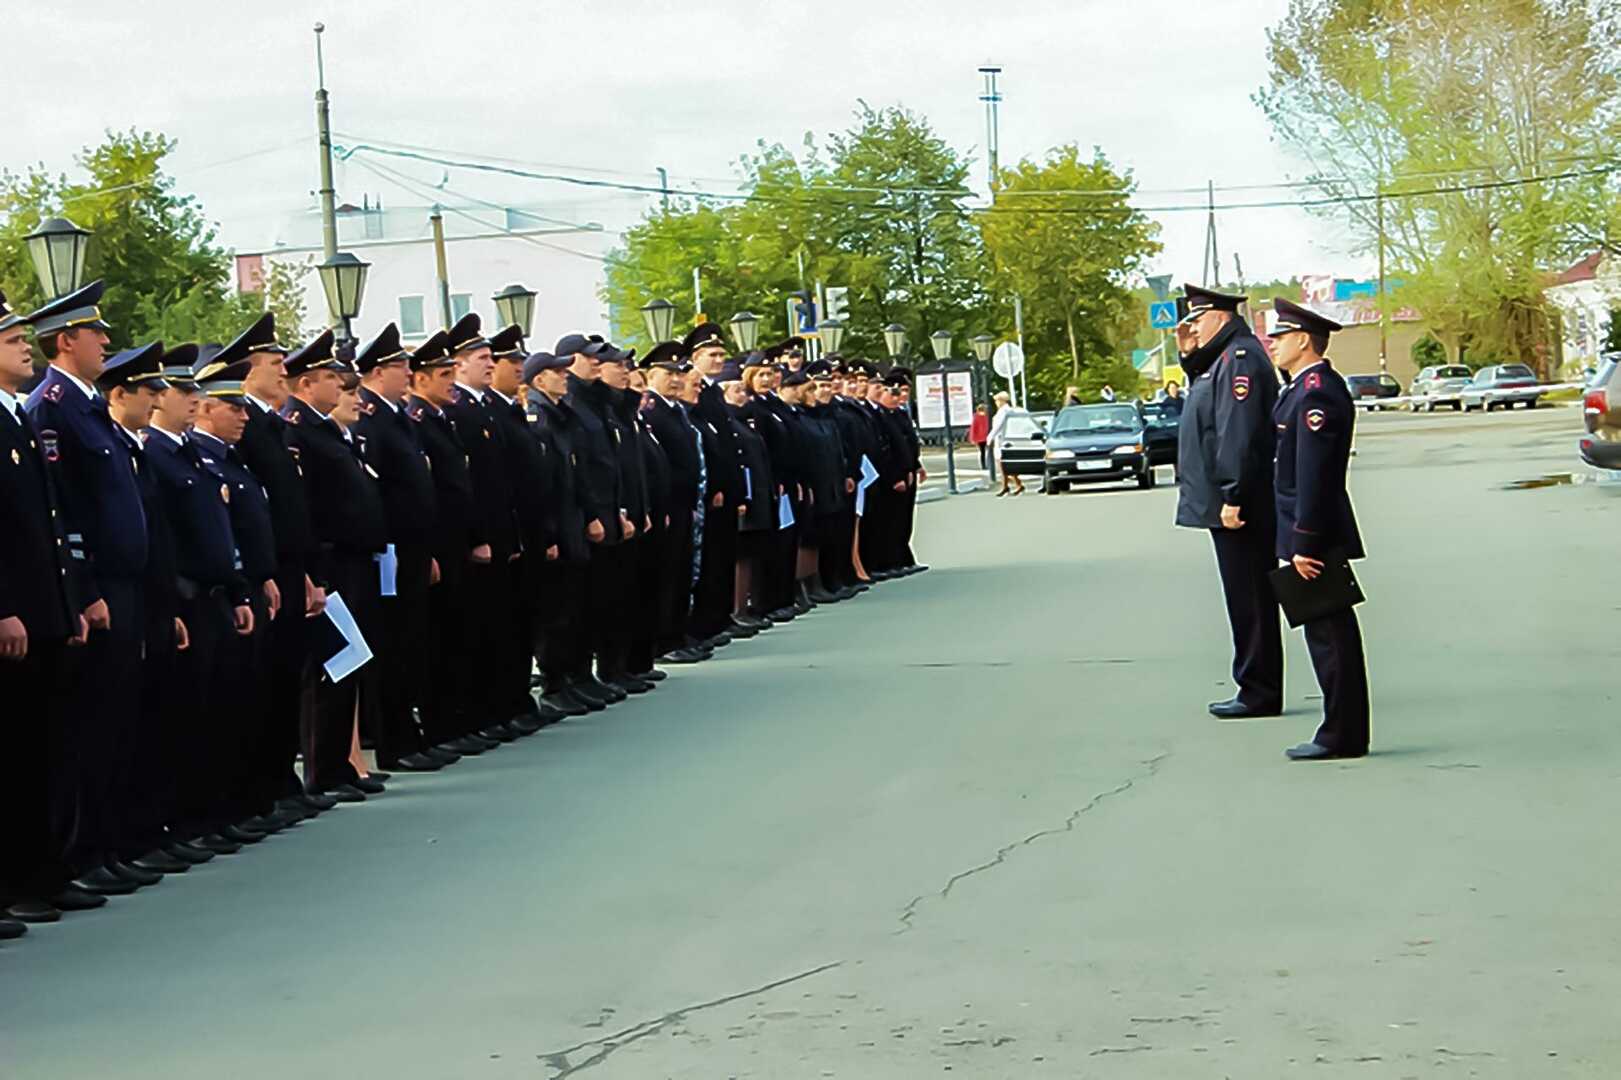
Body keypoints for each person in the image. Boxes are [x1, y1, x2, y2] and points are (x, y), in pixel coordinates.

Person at [0, 288, 91, 929]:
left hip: (46, 612)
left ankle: (43, 872)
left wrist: (71, 601)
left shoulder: (17, 419)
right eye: (10, 342)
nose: (25, 350)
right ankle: (16, 880)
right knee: (15, 754)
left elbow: (50, 526)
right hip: (15, 618)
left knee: (46, 750)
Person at [1172, 284, 1284, 721]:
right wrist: (1188, 356)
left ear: (1219, 316)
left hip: (1238, 503)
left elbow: (1238, 434)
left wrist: (1233, 495)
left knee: (1251, 597)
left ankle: (1258, 689)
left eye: (1196, 321)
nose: (1193, 328)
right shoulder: (1221, 358)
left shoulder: (1240, 359)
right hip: (1226, 501)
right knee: (1243, 597)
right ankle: (1255, 683)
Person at [1267, 299, 1369, 761]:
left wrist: (1303, 541)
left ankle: (1341, 734)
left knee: (1331, 636)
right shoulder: (1299, 389)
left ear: (1303, 340)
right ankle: (1339, 728)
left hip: (1314, 533)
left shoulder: (1317, 393)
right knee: (1324, 633)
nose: (1272, 343)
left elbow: (1316, 474)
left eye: (1280, 336)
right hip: (1302, 530)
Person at [352, 323, 450, 770]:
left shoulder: (397, 417)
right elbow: (377, 493)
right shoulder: (372, 420)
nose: (407, 372)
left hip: (411, 548)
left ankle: (410, 733)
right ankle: (394, 739)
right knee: (391, 645)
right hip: (388, 551)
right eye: (398, 366)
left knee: (412, 640)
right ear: (376, 372)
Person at [988, 390, 1025, 497]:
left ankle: (1006, 486)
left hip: (1002, 440)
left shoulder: (1004, 411)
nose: (996, 403)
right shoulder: (1006, 410)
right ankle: (1016, 485)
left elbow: (998, 426)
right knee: (1005, 465)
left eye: (997, 400)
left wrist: (989, 438)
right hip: (1003, 440)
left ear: (1002, 400)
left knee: (1003, 465)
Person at [969, 403, 991, 474]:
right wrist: (973, 439)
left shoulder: (986, 416)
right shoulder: (976, 417)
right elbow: (973, 428)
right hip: (980, 438)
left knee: (986, 452)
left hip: (986, 437)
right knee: (983, 452)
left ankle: (986, 464)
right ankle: (984, 465)